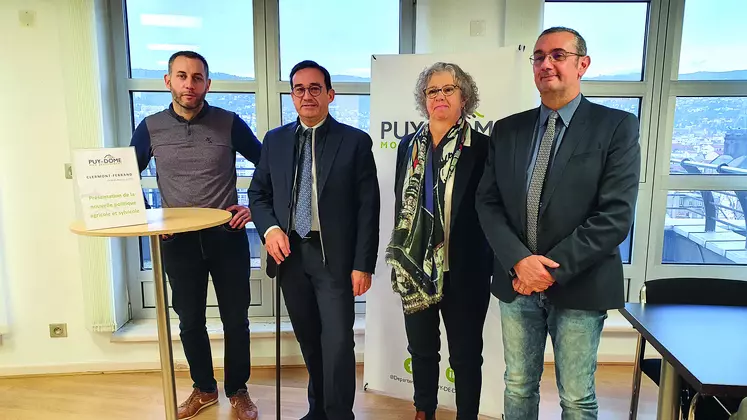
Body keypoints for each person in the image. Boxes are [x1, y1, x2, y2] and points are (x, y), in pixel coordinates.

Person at [476, 27, 641, 420]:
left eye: (558, 55)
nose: (546, 64)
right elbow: (487, 201)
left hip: (581, 283)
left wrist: (546, 271)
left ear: (582, 64)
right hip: (517, 283)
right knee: (517, 385)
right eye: (538, 56)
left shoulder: (616, 127)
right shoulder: (507, 129)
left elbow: (615, 216)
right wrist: (520, 261)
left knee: (577, 397)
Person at [130, 51, 261, 420]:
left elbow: (267, 165)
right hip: (178, 242)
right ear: (168, 80)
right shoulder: (150, 127)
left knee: (236, 320)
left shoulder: (230, 123)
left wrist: (253, 207)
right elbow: (124, 175)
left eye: (198, 77)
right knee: (190, 321)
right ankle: (204, 388)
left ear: (207, 83)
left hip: (227, 236)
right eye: (182, 76)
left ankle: (238, 390)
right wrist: (150, 217)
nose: (190, 84)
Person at [247, 60, 380, 420]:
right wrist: (270, 229)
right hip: (290, 257)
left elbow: (369, 208)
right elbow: (257, 194)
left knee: (337, 342)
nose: (307, 95)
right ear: (292, 96)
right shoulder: (274, 141)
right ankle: (317, 409)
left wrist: (362, 264)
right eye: (299, 89)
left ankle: (339, 414)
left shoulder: (354, 142)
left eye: (315, 88)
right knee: (309, 337)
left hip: (334, 259)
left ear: (330, 94)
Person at [386, 62, 493, 420]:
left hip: (464, 270)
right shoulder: (407, 146)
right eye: (433, 91)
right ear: (424, 99)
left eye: (449, 89)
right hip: (415, 269)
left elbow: (491, 210)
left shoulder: (482, 147)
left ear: (464, 97)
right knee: (421, 350)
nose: (440, 96)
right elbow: (405, 205)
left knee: (465, 355)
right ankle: (424, 411)